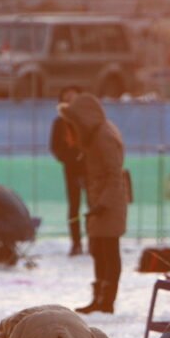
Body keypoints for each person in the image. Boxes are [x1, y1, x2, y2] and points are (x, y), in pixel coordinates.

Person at [57, 93, 128, 314]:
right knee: (98, 249)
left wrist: (103, 203)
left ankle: (107, 300)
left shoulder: (104, 136)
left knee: (109, 249)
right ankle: (98, 297)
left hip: (110, 203)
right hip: (98, 202)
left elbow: (114, 174)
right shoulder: (93, 137)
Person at [49, 86, 85, 256]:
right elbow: (55, 147)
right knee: (74, 206)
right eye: (67, 98)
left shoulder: (86, 120)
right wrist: (68, 158)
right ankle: (76, 242)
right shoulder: (59, 123)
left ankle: (96, 240)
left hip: (89, 166)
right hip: (71, 168)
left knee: (95, 205)